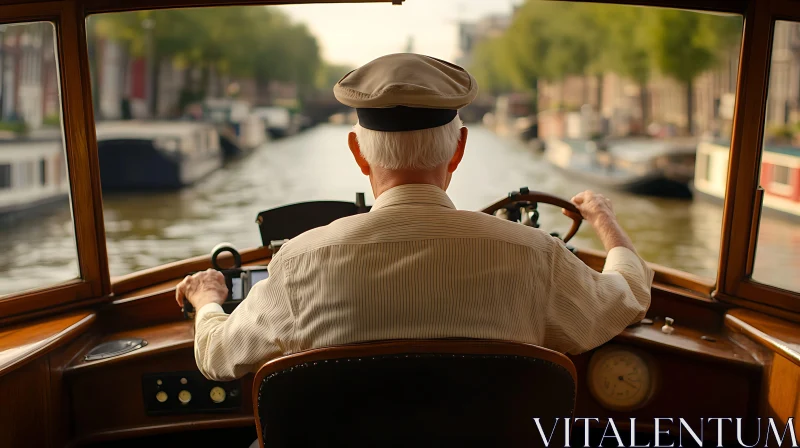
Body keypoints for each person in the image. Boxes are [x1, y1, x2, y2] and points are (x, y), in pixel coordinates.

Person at [176, 53, 653, 381]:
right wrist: (604, 221)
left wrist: (208, 299)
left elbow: (217, 356)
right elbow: (626, 299)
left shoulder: (299, 263)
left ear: (359, 154)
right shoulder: (533, 256)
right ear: (459, 150)